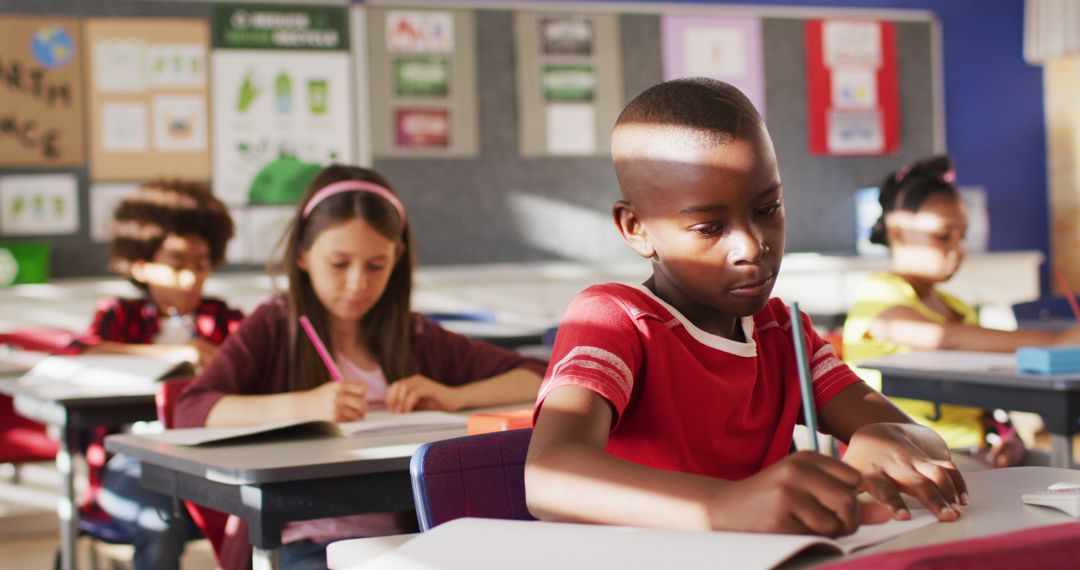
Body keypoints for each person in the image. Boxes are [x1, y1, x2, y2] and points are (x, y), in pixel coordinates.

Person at [525, 78, 967, 538]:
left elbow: (928, 440)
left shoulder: (784, 333)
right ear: (636, 227)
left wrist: (884, 438)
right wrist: (724, 506)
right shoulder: (616, 320)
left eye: (767, 208)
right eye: (709, 227)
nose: (751, 246)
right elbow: (548, 479)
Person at [175, 164, 547, 569]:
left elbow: (538, 376)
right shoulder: (274, 327)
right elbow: (192, 410)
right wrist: (304, 407)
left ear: (397, 259)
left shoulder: (416, 336)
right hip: (303, 543)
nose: (357, 283)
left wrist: (454, 395)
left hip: (402, 543)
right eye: (339, 264)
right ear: (302, 254)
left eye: (375, 266)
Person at [843, 155, 1080, 467]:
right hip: (915, 452)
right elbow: (943, 338)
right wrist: (1055, 341)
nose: (959, 248)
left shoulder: (958, 308)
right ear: (897, 231)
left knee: (1064, 472)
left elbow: (988, 395)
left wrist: (1009, 438)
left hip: (980, 450)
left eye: (962, 235)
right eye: (943, 235)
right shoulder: (878, 293)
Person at [85, 180, 243, 570]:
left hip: (209, 459)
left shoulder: (223, 319)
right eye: (176, 264)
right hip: (131, 463)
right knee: (160, 523)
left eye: (201, 264)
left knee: (262, 514)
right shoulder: (120, 316)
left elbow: (256, 364)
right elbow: (86, 351)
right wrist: (175, 353)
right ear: (141, 264)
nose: (191, 277)